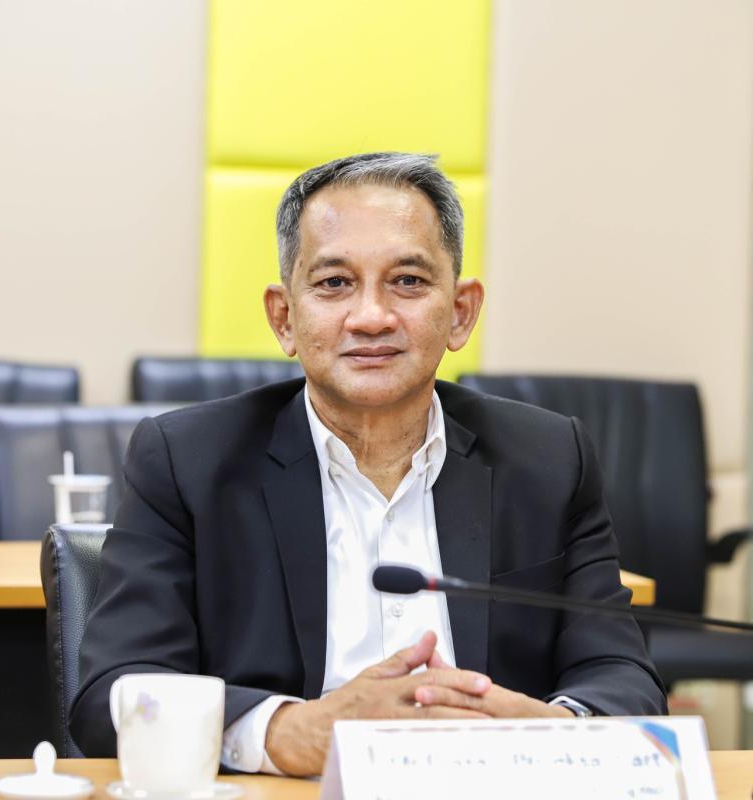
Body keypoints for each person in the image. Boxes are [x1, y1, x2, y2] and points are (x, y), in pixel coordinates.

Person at [71, 152, 666, 775]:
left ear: (461, 312)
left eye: (407, 281)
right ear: (284, 317)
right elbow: (113, 692)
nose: (372, 317)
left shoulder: (549, 460)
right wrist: (289, 731)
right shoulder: (188, 462)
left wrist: (554, 729)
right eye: (334, 283)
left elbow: (620, 674)